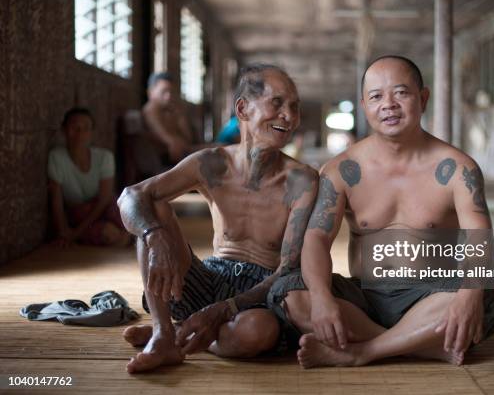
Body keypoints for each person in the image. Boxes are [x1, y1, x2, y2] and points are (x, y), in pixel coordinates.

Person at [267, 55, 494, 368]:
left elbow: (480, 238)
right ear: (364, 105)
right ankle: (415, 344)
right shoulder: (341, 170)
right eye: (377, 96)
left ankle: (363, 351)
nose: (389, 104)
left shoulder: (458, 169)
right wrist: (323, 298)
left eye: (401, 93)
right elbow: (315, 241)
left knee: (486, 288)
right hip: (367, 300)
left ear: (423, 98)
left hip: (433, 294)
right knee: (287, 291)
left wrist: (468, 296)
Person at [118, 64, 318, 373]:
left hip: (262, 290)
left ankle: (182, 331)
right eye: (277, 103)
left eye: (294, 107)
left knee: (256, 333)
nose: (289, 116)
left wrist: (225, 310)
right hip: (210, 277)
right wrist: (154, 236)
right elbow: (131, 196)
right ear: (243, 108)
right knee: (153, 205)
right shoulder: (212, 164)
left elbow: (289, 268)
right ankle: (162, 335)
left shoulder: (301, 180)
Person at [48, 108, 131, 248]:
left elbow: (104, 199)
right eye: (74, 127)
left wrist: (74, 235)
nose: (80, 133)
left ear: (92, 132)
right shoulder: (57, 157)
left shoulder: (105, 157)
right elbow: (56, 200)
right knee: (110, 234)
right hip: (79, 215)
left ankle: (125, 236)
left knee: (124, 209)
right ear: (64, 130)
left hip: (102, 209)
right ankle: (118, 236)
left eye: (86, 128)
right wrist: (63, 231)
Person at [142, 72, 203, 165]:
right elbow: (172, 144)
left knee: (222, 149)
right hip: (169, 159)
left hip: (184, 153)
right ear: (151, 92)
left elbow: (188, 138)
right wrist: (172, 142)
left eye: (171, 91)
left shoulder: (171, 111)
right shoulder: (151, 109)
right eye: (164, 92)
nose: (168, 96)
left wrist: (180, 116)